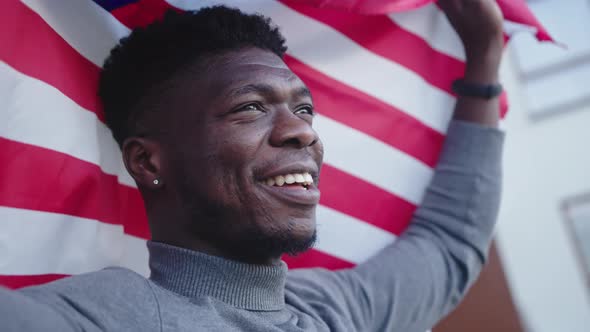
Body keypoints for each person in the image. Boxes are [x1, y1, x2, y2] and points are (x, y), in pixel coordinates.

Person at [0, 1, 506, 331]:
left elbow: (450, 242)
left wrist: (483, 59)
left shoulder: (335, 311)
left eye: (304, 108)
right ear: (147, 161)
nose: (303, 131)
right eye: (250, 107)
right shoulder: (102, 319)